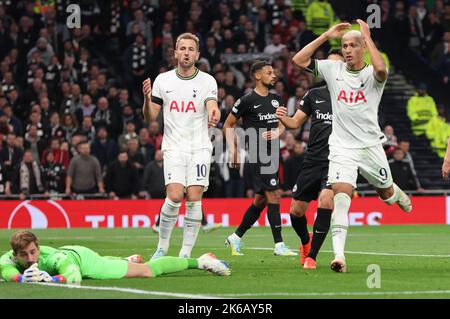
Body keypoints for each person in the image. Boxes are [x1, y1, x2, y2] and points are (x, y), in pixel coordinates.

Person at [292, 20, 412, 272]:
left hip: (370, 146)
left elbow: (381, 69)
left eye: (352, 45)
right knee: (341, 198)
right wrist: (326, 35)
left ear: (362, 48)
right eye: (344, 45)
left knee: (387, 196)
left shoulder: (372, 74)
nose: (346, 50)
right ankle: (339, 257)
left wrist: (367, 37)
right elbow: (299, 61)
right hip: (341, 147)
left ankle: (396, 192)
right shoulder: (333, 70)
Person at [142, 32, 220, 259]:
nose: (186, 53)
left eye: (191, 49)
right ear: (175, 52)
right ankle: (162, 248)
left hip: (199, 147)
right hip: (174, 147)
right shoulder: (163, 81)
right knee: (175, 195)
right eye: (182, 49)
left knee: (194, 197)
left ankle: (185, 254)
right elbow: (150, 117)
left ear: (197, 54)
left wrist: (214, 113)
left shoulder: (207, 81)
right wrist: (147, 100)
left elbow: (212, 105)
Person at [276, 49, 345, 269]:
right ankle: (305, 242)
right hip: (312, 160)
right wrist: (282, 118)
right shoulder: (314, 95)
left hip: (337, 159)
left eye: (338, 65)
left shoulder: (352, 97)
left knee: (326, 200)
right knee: (295, 212)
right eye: (330, 65)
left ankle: (312, 257)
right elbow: (295, 123)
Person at [223, 60, 295, 257]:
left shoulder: (276, 99)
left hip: (273, 153)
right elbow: (228, 125)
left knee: (260, 200)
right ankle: (279, 244)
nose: (274, 76)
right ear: (257, 76)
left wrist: (278, 132)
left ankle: (235, 238)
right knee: (274, 195)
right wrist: (234, 151)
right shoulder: (246, 100)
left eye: (274, 72)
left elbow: (283, 124)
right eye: (269, 72)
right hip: (257, 153)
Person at [0, 230, 230, 285]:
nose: (31, 258)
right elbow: (5, 270)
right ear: (15, 254)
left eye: (33, 252)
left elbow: (74, 274)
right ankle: (126, 260)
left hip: (83, 260)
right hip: (75, 251)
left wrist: (53, 279)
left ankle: (200, 261)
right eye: (24, 255)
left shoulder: (52, 259)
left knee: (148, 271)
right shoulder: (9, 259)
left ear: (38, 248)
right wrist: (21, 279)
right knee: (112, 262)